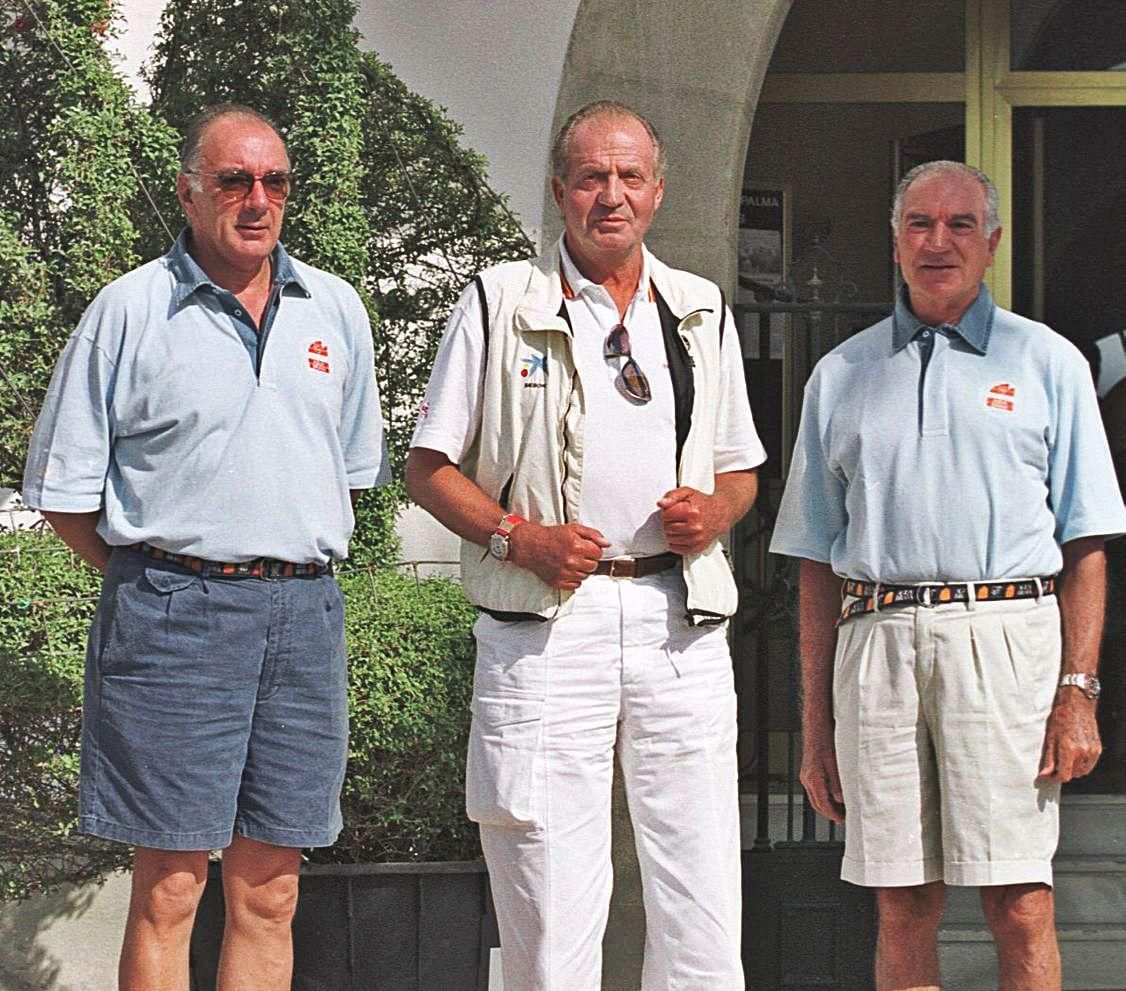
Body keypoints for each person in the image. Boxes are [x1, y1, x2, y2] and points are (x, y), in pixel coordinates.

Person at [21, 104, 388, 990]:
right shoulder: (129, 311)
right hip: (175, 618)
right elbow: (68, 497)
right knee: (173, 887)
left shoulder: (333, 310)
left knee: (272, 891)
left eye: (274, 182)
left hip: (303, 619)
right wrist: (161, 579)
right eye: (234, 180)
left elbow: (345, 473)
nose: (257, 200)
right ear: (191, 192)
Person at [404, 100, 765, 990]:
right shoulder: (500, 301)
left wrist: (714, 515)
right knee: (547, 889)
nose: (612, 195)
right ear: (559, 188)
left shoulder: (698, 310)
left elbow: (741, 471)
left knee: (702, 888)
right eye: (593, 176)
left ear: (659, 190)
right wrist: (517, 537)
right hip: (547, 624)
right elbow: (427, 468)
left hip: (676, 622)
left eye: (630, 176)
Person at [770, 160, 1126, 991]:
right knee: (902, 902)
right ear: (895, 242)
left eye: (961, 224)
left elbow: (1087, 546)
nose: (940, 242)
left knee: (1021, 900)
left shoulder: (1050, 363)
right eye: (920, 224)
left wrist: (1079, 691)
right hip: (878, 641)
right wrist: (814, 722)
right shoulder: (843, 376)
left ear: (992, 242)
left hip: (1006, 643)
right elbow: (816, 563)